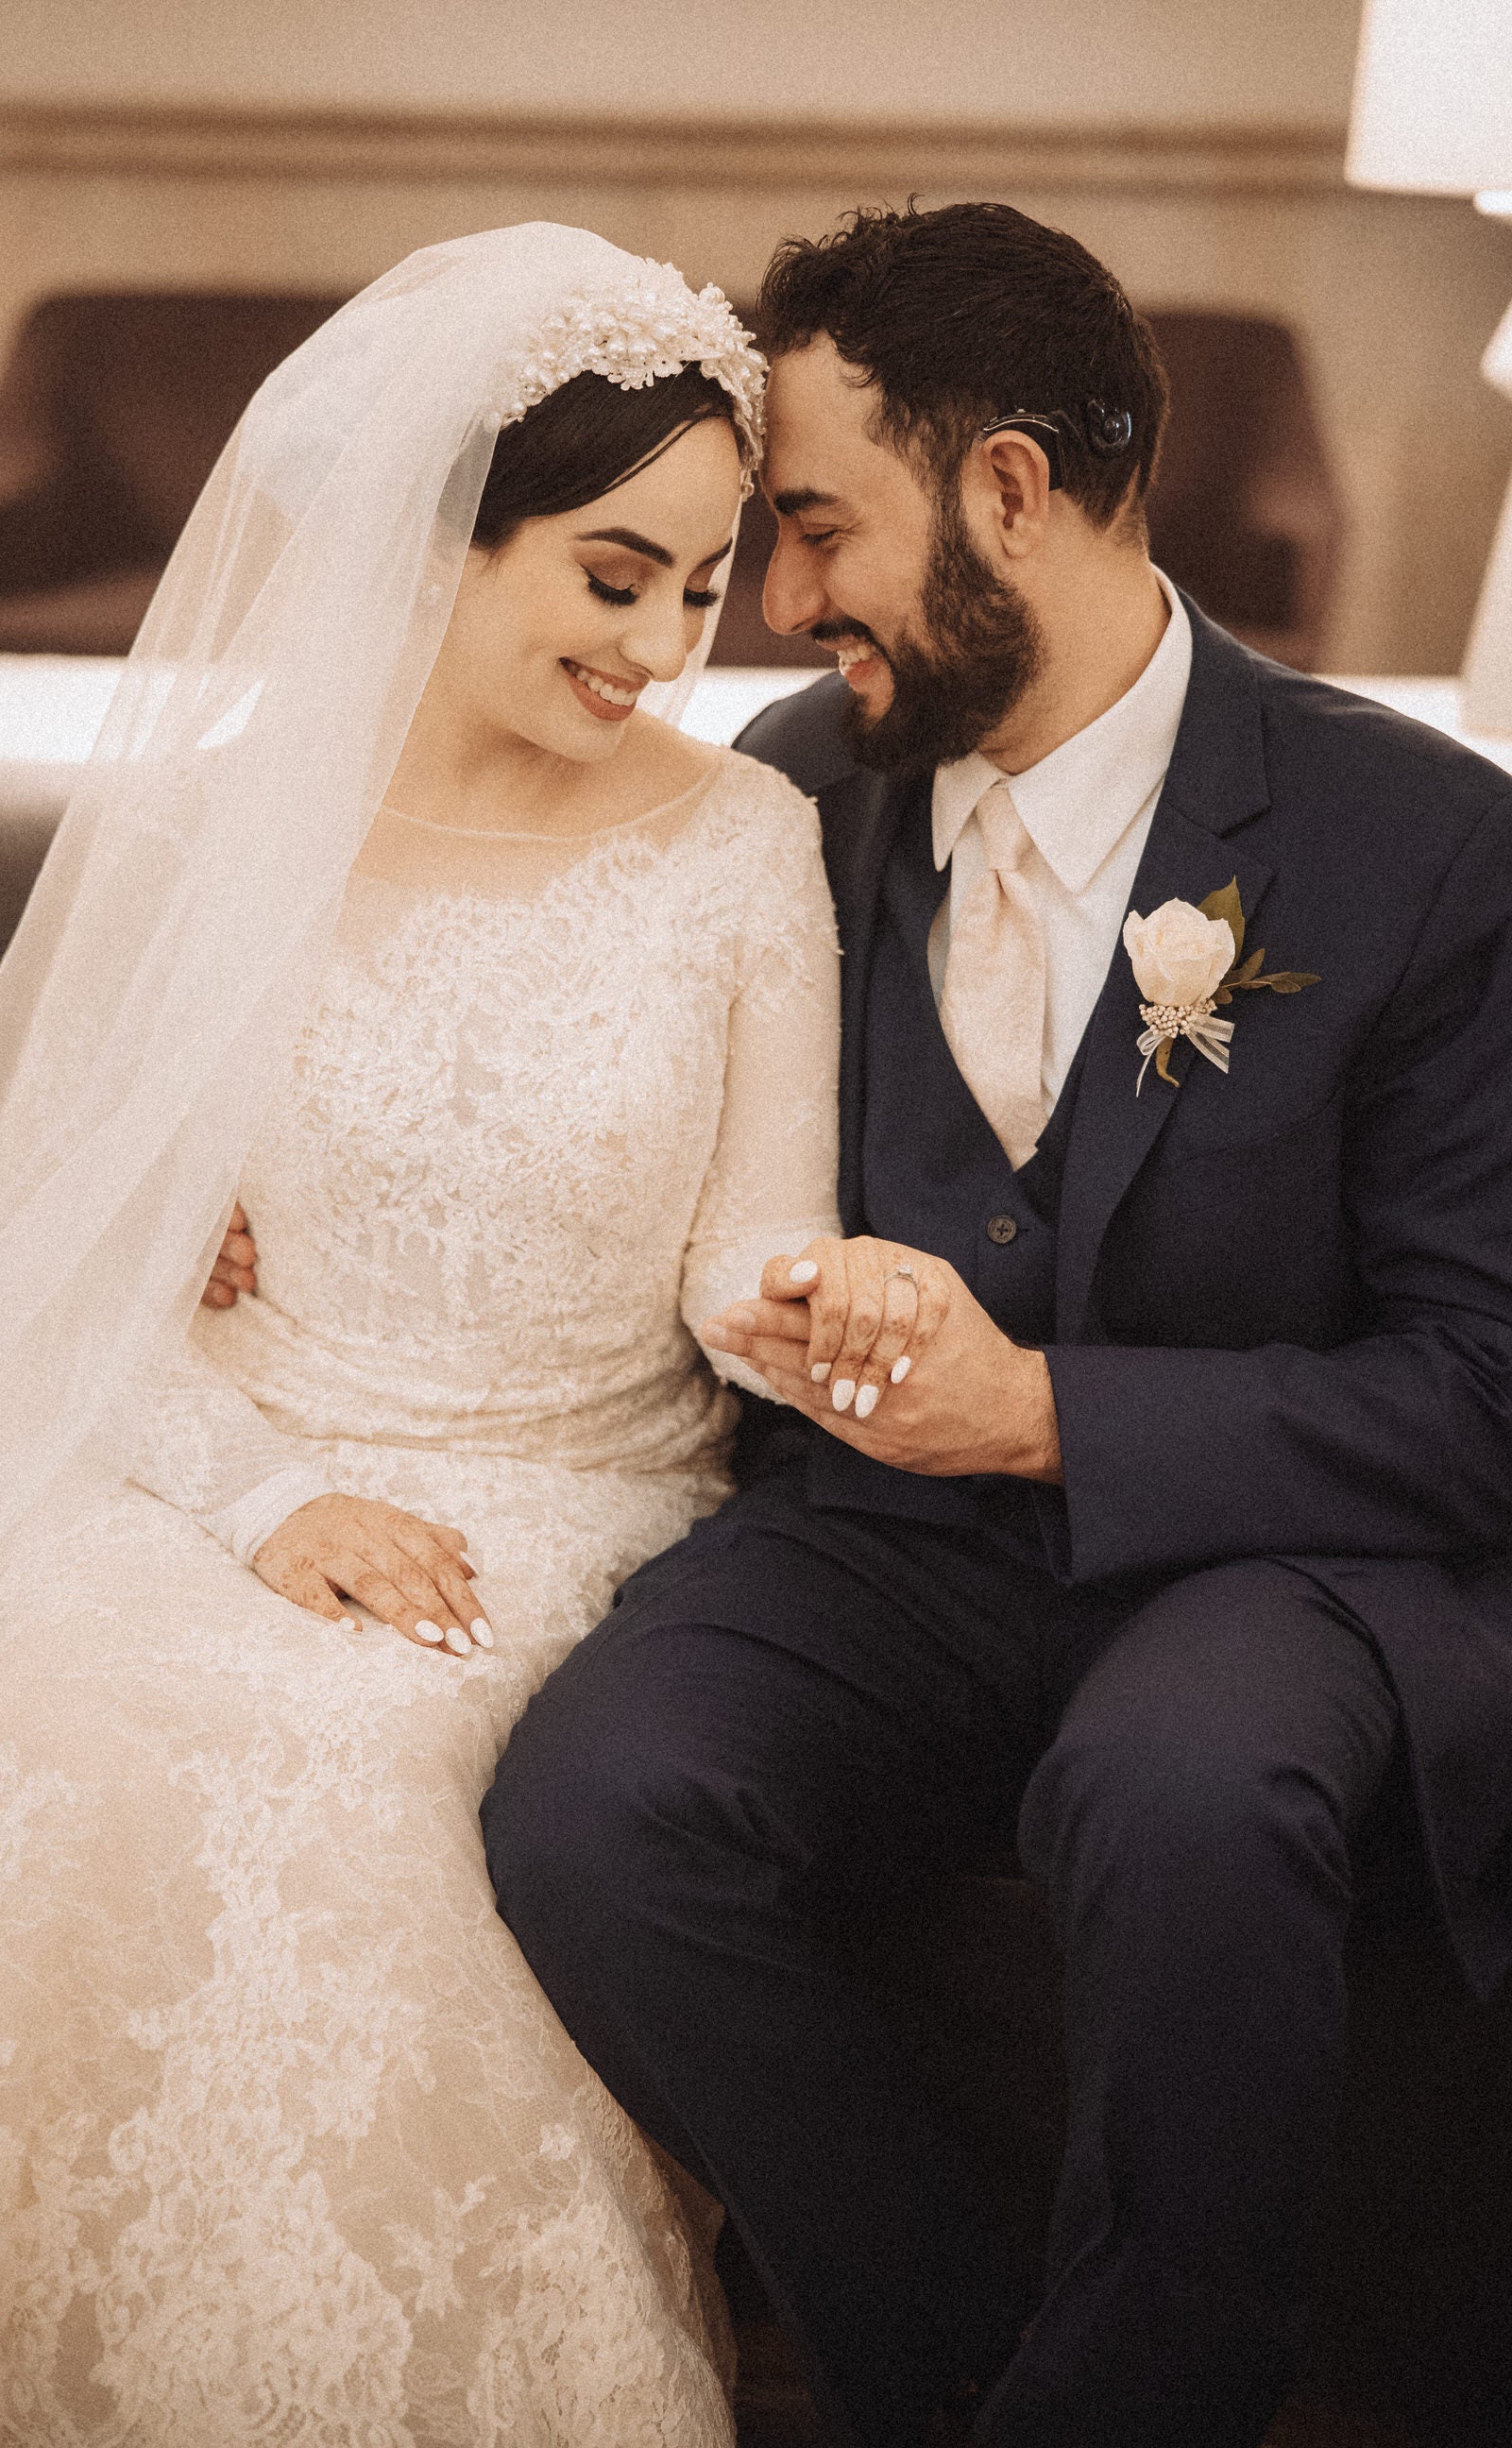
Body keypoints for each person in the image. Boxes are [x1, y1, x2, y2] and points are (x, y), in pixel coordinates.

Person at [479, 202, 1512, 2448]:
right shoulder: (790, 793)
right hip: (880, 1557)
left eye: (821, 526)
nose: (776, 600)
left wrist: (1047, 1408)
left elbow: (1484, 1396)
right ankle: (957, 2381)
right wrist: (246, 1215)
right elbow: (541, 1072)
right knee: (592, 1804)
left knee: (1188, 1795)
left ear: (1014, 491)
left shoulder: (1422, 846)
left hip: (1265, 1572)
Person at [0, 226, 857, 2445]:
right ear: (450, 535)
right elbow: (80, 1276)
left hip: (558, 1499)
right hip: (235, 1462)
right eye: (611, 577)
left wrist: (814, 1308)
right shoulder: (249, 823)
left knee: (330, 1781)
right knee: (39, 1733)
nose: (661, 648)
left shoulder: (746, 842)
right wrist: (256, 1497)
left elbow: (749, 1249)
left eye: (703, 592)